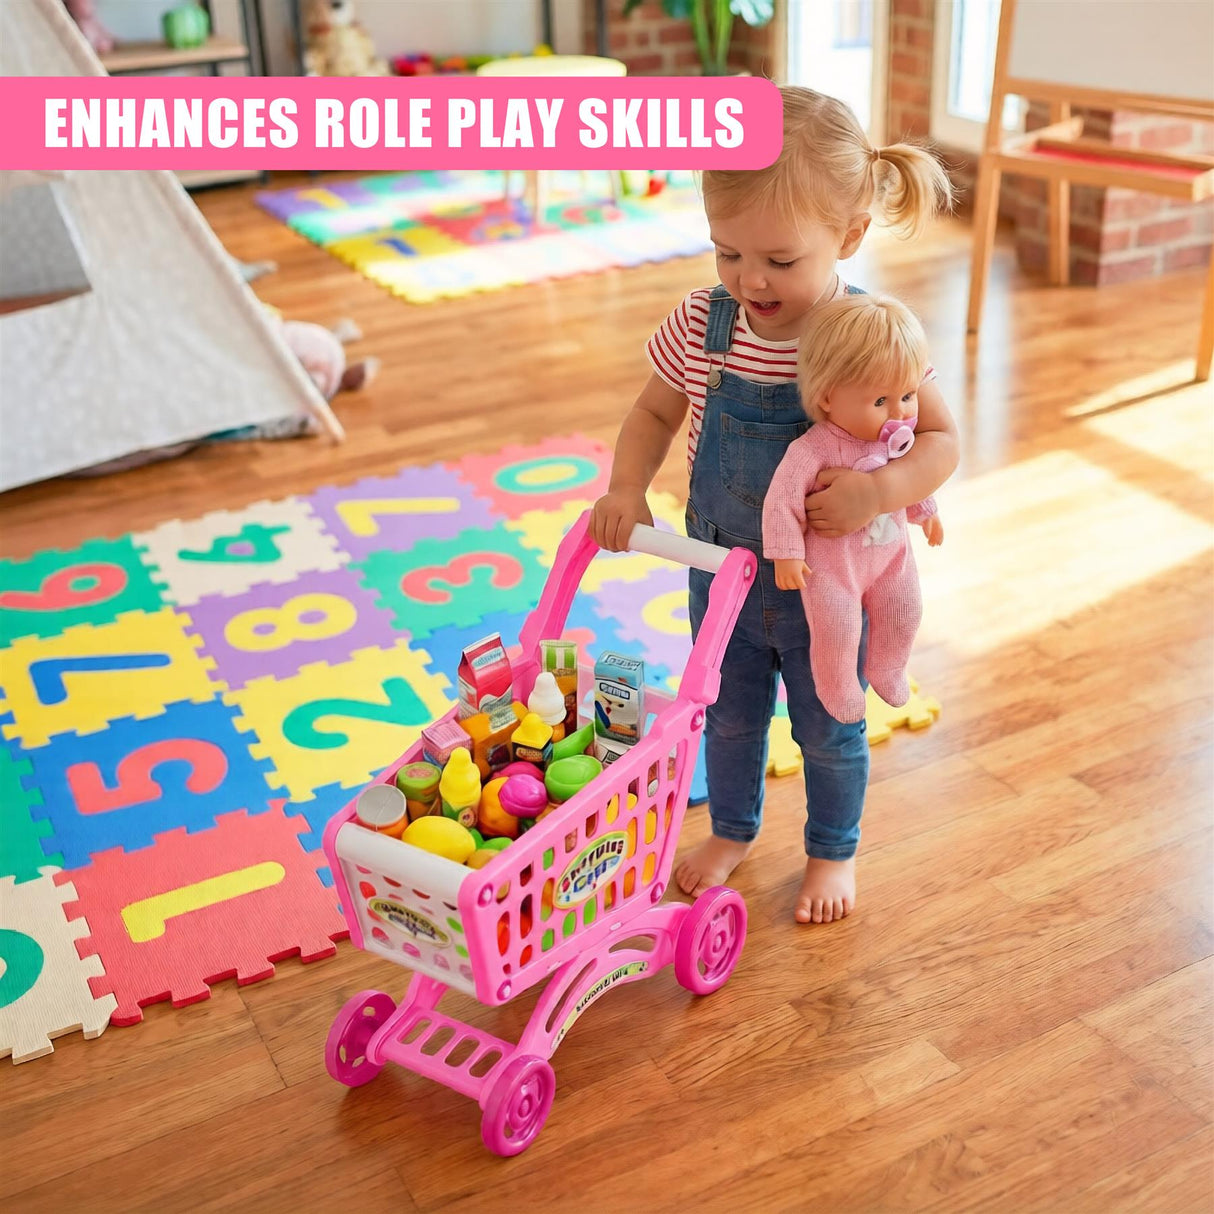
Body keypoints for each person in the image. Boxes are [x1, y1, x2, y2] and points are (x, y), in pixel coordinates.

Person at [590, 87, 958, 924]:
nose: (749, 279)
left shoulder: (868, 336)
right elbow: (654, 410)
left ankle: (833, 849)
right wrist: (625, 487)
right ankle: (731, 828)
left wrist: (879, 490)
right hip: (721, 575)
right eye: (727, 253)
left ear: (850, 236)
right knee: (725, 716)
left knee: (828, 726)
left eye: (779, 261)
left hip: (827, 586)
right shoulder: (703, 323)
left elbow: (940, 440)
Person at [764, 293, 944, 727]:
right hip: (832, 570)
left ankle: (888, 666)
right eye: (881, 401)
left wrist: (927, 512)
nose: (900, 412)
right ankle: (837, 681)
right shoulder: (814, 450)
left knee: (906, 609)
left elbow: (913, 475)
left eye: (907, 394)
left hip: (890, 559)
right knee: (837, 630)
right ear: (828, 399)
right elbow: (781, 498)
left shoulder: (896, 442)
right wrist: (786, 553)